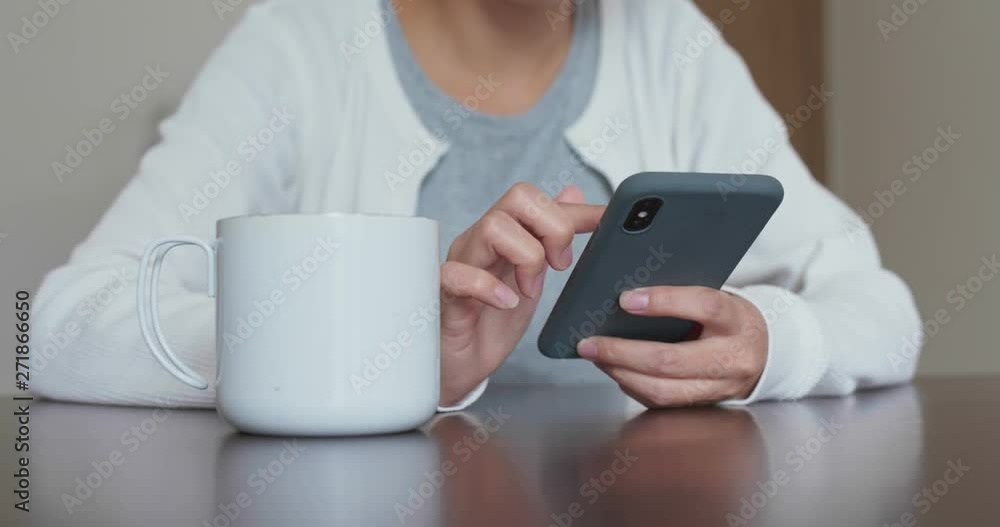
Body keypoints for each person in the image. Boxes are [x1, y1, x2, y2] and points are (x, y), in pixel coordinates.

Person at [31, 0, 922, 410]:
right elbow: (63, 327)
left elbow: (881, 308)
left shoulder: (668, 37)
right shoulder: (299, 43)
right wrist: (384, 351)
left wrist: (772, 344)